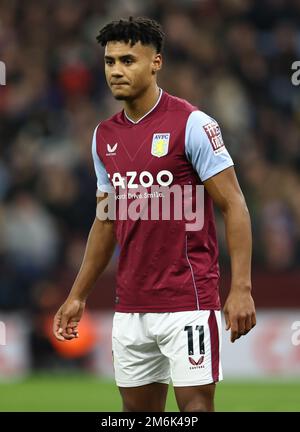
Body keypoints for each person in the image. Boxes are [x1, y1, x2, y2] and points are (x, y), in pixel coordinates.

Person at [53, 16, 256, 412]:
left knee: (195, 409)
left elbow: (234, 204)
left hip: (188, 300)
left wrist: (242, 287)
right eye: (110, 62)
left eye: (128, 60)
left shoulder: (193, 124)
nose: (116, 71)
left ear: (156, 63)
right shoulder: (103, 137)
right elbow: (106, 219)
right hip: (130, 305)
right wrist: (77, 295)